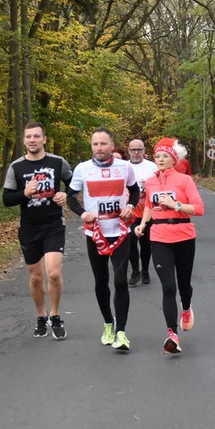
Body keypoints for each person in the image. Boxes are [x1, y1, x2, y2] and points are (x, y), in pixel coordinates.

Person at [68, 128, 140, 350]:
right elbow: (71, 197)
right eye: (95, 144)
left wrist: (130, 206)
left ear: (111, 145)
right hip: (95, 234)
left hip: (120, 232)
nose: (98, 148)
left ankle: (121, 332)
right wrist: (82, 213)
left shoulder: (124, 167)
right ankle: (108, 323)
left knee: (120, 281)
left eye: (103, 144)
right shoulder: (82, 169)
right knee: (101, 282)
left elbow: (135, 191)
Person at [134, 138, 205, 354]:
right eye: (157, 156)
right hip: (159, 237)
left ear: (174, 160)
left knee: (184, 285)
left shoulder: (184, 180)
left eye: (165, 156)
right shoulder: (150, 182)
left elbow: (199, 208)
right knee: (168, 287)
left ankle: (186, 307)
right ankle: (172, 334)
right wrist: (143, 224)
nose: (161, 159)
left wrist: (177, 205)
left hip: (183, 234)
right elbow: (148, 205)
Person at [2, 121, 73, 339]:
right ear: (24, 141)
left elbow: (75, 183)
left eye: (36, 136)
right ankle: (41, 316)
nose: (32, 140)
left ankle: (56, 315)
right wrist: (25, 193)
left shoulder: (57, 162)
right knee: (35, 277)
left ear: (44, 139)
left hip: (53, 225)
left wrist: (66, 195)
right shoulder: (16, 167)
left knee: (53, 273)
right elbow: (6, 199)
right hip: (29, 228)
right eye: (28, 137)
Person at [127, 139, 157, 286]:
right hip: (129, 212)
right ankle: (135, 271)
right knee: (130, 241)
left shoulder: (152, 167)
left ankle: (145, 270)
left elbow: (159, 186)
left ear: (144, 151)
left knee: (146, 244)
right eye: (133, 150)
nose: (136, 153)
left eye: (139, 149)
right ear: (129, 151)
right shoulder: (123, 166)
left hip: (148, 210)